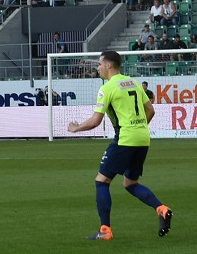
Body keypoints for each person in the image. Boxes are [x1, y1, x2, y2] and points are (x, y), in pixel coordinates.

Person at [66, 50, 172, 241]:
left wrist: (75, 128)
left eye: (99, 64)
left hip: (125, 138)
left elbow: (95, 121)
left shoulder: (107, 88)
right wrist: (138, 127)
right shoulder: (133, 82)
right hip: (142, 137)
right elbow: (151, 110)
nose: (97, 67)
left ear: (108, 65)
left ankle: (105, 230)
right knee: (130, 183)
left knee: (101, 181)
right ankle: (162, 209)